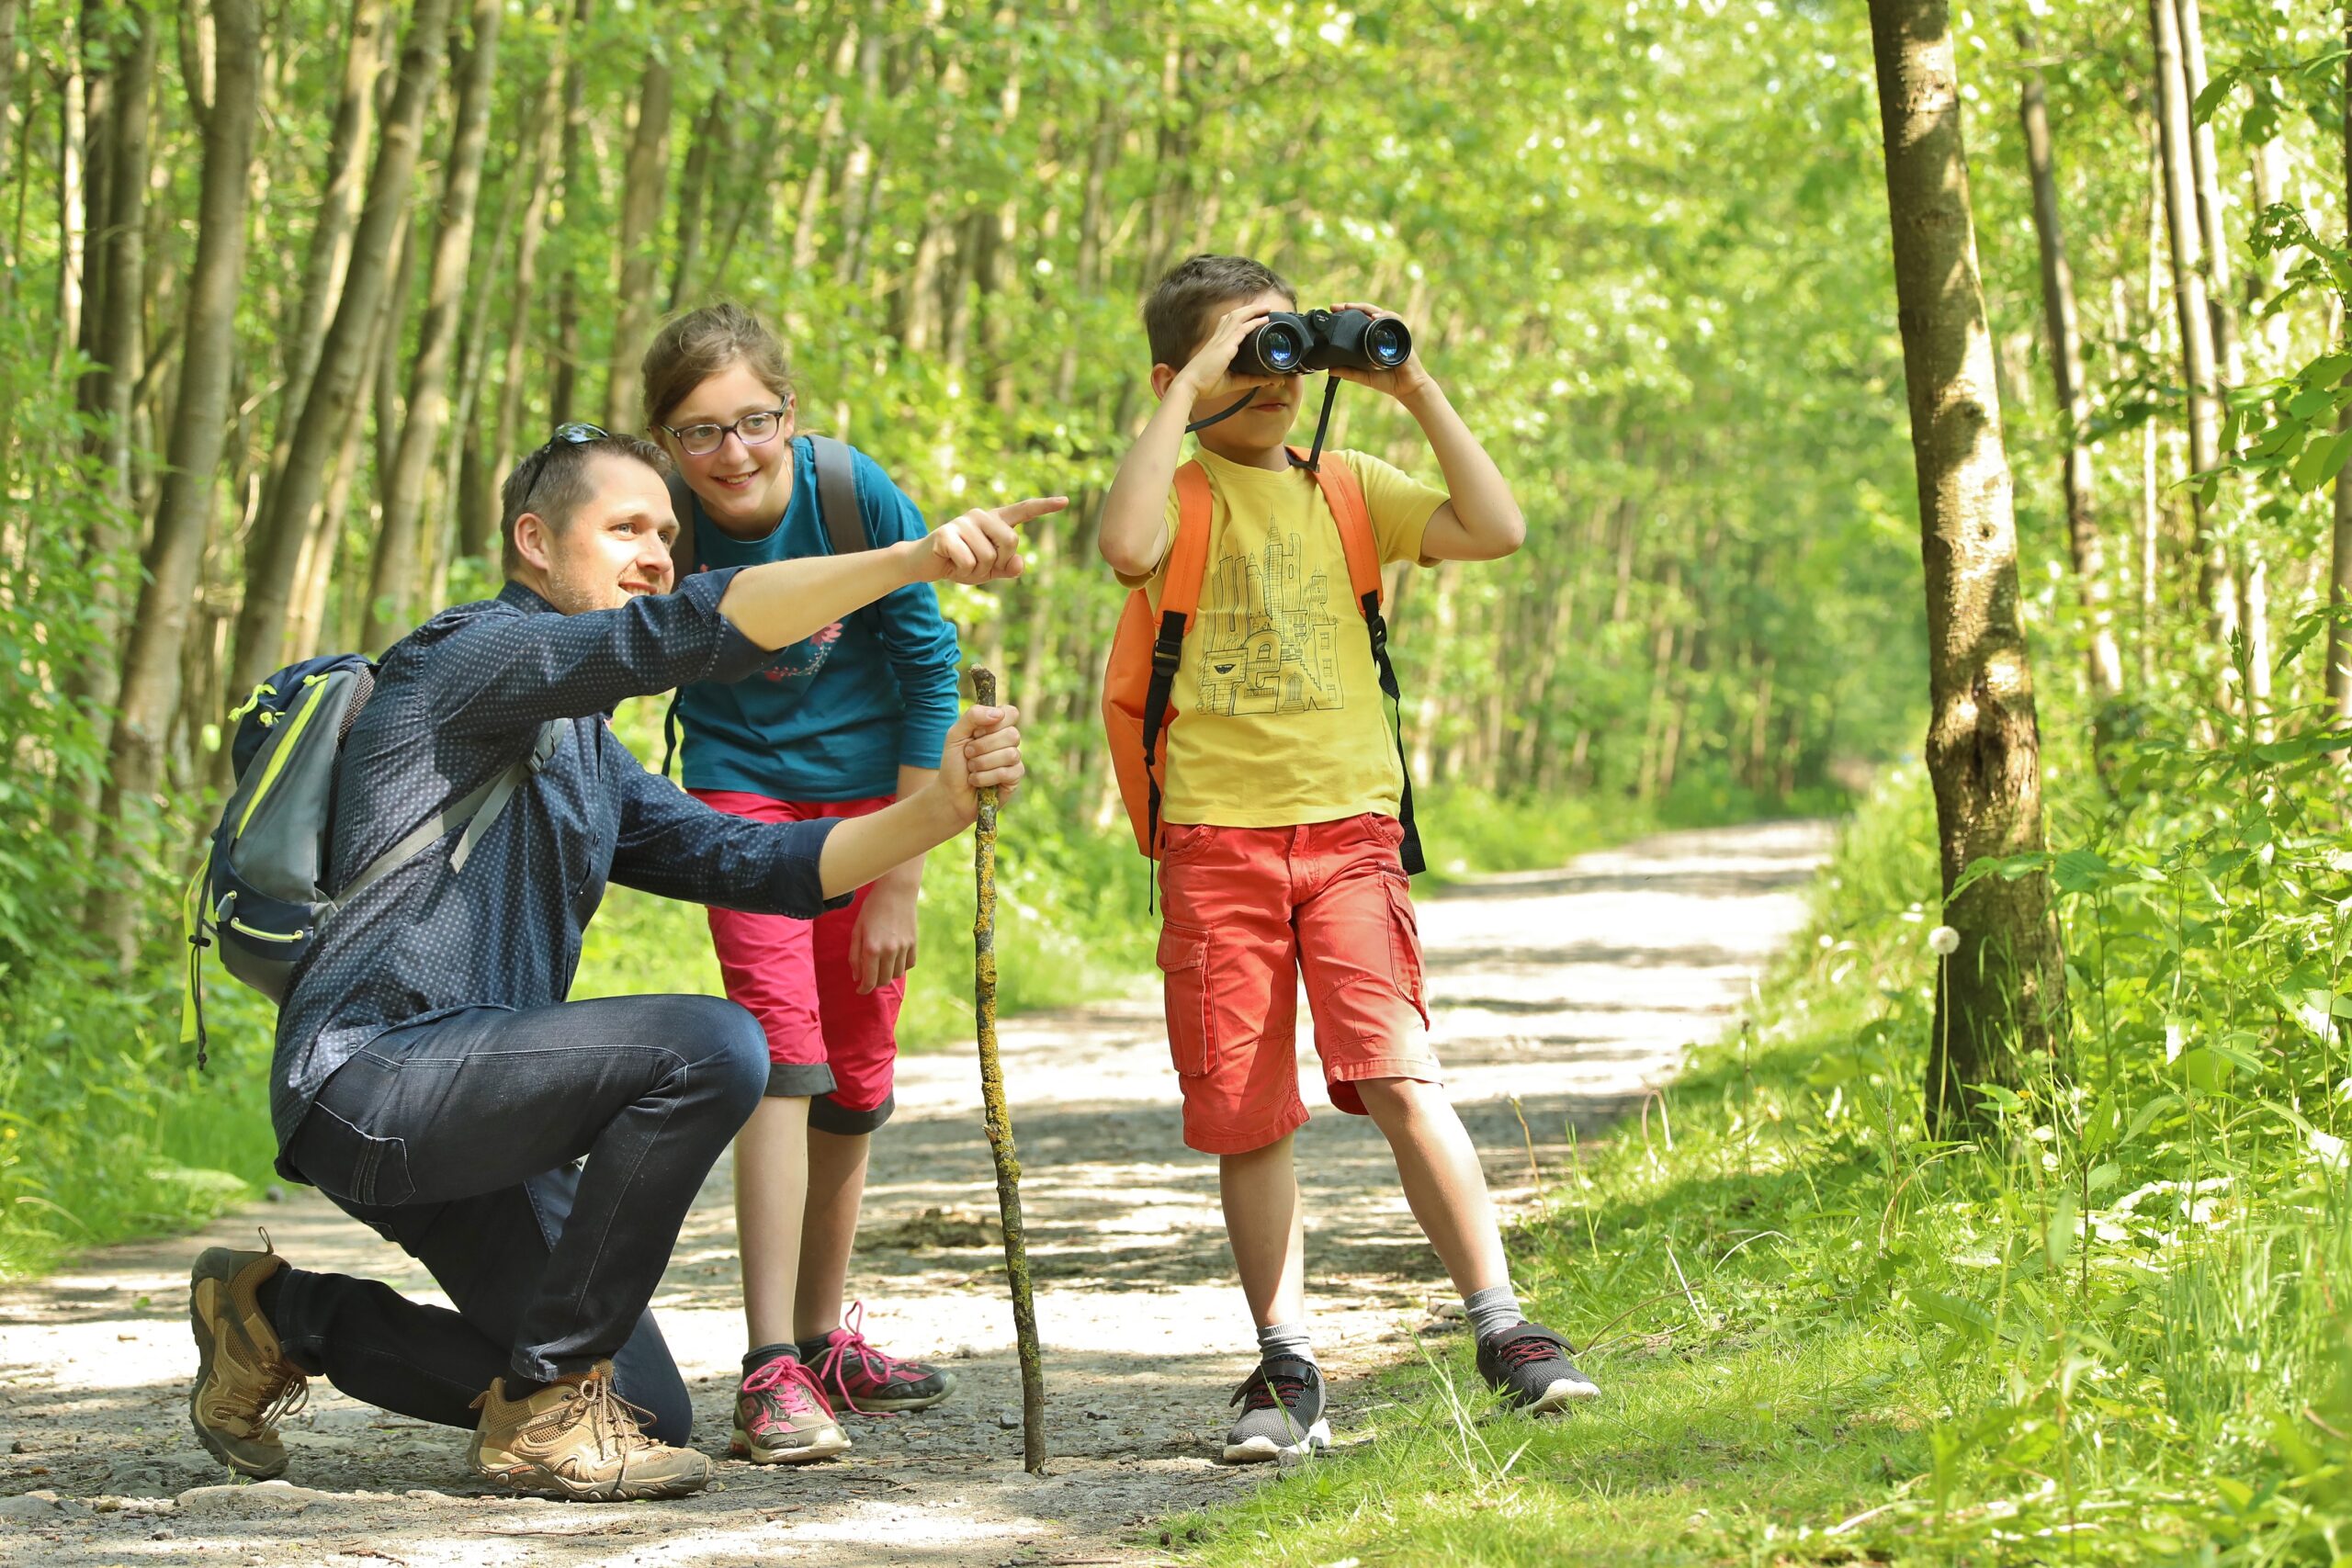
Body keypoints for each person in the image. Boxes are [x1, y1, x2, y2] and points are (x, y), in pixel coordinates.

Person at [186, 426, 1035, 1503]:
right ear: (533, 541)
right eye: (625, 527)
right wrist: (911, 560)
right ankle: (542, 1412)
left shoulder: (584, 742)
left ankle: (278, 1318)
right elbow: (683, 634)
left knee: (641, 1409)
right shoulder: (472, 658)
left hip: (484, 1119)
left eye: (668, 536)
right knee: (714, 1044)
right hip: (372, 1080)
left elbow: (753, 859)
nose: (655, 554)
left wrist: (936, 809)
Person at [1096, 254, 1600, 1464]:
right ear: (1182, 377)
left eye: (1285, 348)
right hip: (1216, 843)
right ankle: (1284, 1357)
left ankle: (1504, 1323)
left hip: (1351, 836)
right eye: (1241, 355)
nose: (1274, 377)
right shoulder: (1180, 495)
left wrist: (1414, 385)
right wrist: (1184, 396)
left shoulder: (1350, 487)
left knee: (1398, 1072)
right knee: (1247, 1110)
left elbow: (1499, 525)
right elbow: (1122, 545)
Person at [636, 304, 1058, 1464]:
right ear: (665, 441)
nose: (732, 454)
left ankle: (823, 1337)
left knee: (854, 1077)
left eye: (753, 422)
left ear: (791, 412)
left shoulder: (846, 491)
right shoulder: (659, 520)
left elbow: (929, 667)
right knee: (778, 1053)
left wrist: (902, 875)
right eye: (699, 433)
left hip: (881, 802)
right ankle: (768, 1365)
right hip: (738, 793)